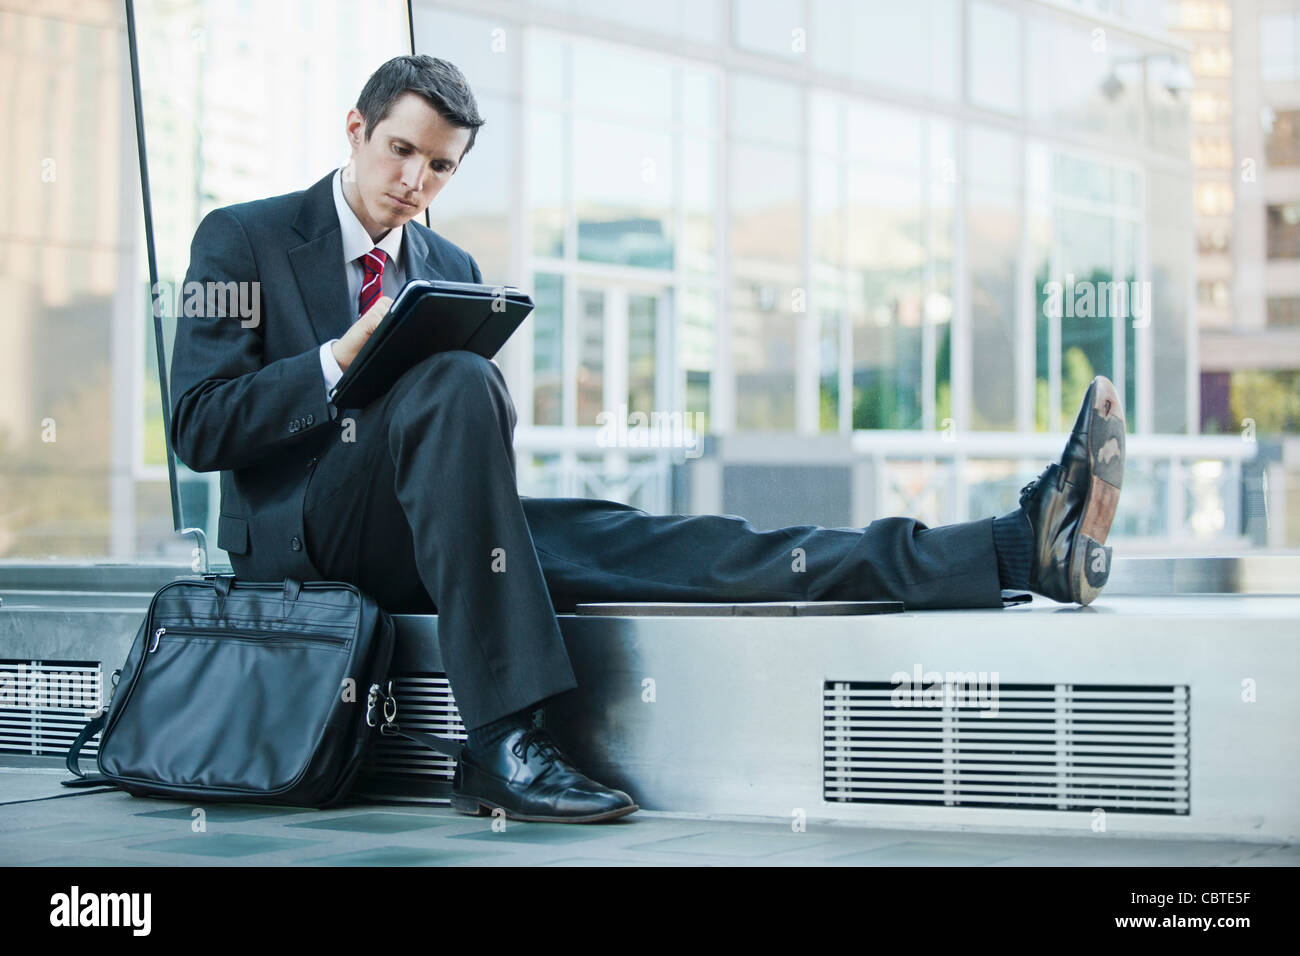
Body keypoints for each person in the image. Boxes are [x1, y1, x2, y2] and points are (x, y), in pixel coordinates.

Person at [168, 55, 1126, 825]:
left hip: (436, 530)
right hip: (302, 548)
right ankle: (503, 739)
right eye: (400, 152)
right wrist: (341, 356)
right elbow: (198, 424)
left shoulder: (446, 263)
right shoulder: (239, 239)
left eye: (442, 166)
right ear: (354, 131)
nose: (416, 182)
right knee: (460, 378)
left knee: (685, 545)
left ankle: (1012, 546)